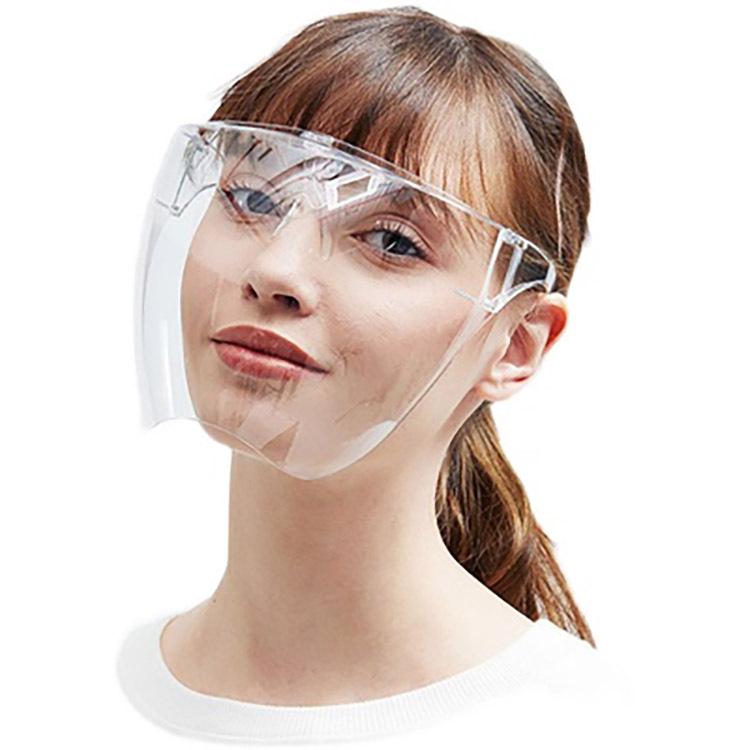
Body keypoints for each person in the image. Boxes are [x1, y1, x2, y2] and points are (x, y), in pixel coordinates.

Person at [116, 5, 632, 745]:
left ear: (515, 345)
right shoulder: (60, 690)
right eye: (253, 198)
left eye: (392, 241)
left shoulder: (581, 729)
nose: (275, 269)